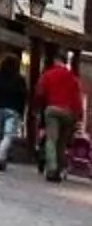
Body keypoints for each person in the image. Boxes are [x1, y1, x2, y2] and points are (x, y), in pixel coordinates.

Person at [33, 54, 81, 182]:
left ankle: (51, 168)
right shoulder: (72, 77)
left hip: (52, 109)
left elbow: (40, 92)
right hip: (68, 112)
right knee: (62, 143)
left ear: (55, 61)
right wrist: (77, 116)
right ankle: (58, 170)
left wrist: (38, 107)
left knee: (51, 140)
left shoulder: (48, 74)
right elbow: (77, 98)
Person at [0, 52, 31, 169]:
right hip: (13, 111)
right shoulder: (20, 80)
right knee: (8, 135)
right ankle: (0, 156)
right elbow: (24, 96)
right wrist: (21, 112)